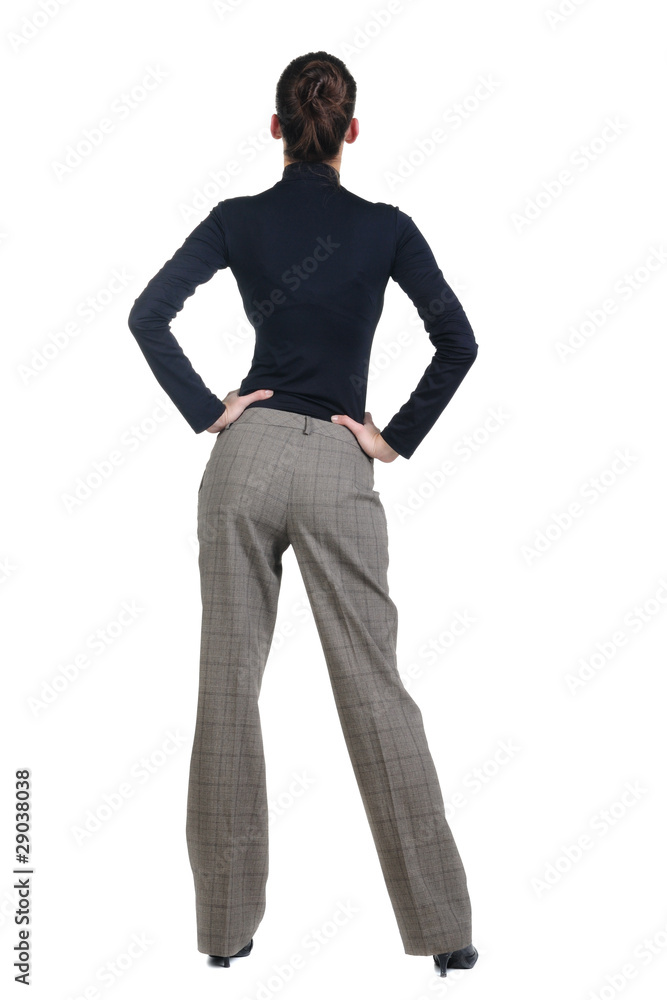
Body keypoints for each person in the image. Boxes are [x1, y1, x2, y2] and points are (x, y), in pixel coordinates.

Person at [127, 50, 479, 978]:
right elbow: (458, 341)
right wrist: (390, 436)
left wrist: (211, 409)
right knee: (375, 688)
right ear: (349, 130)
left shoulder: (236, 219)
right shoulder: (386, 227)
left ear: (276, 129)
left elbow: (147, 315)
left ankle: (224, 933)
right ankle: (445, 933)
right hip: (335, 460)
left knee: (226, 689)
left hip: (241, 462)